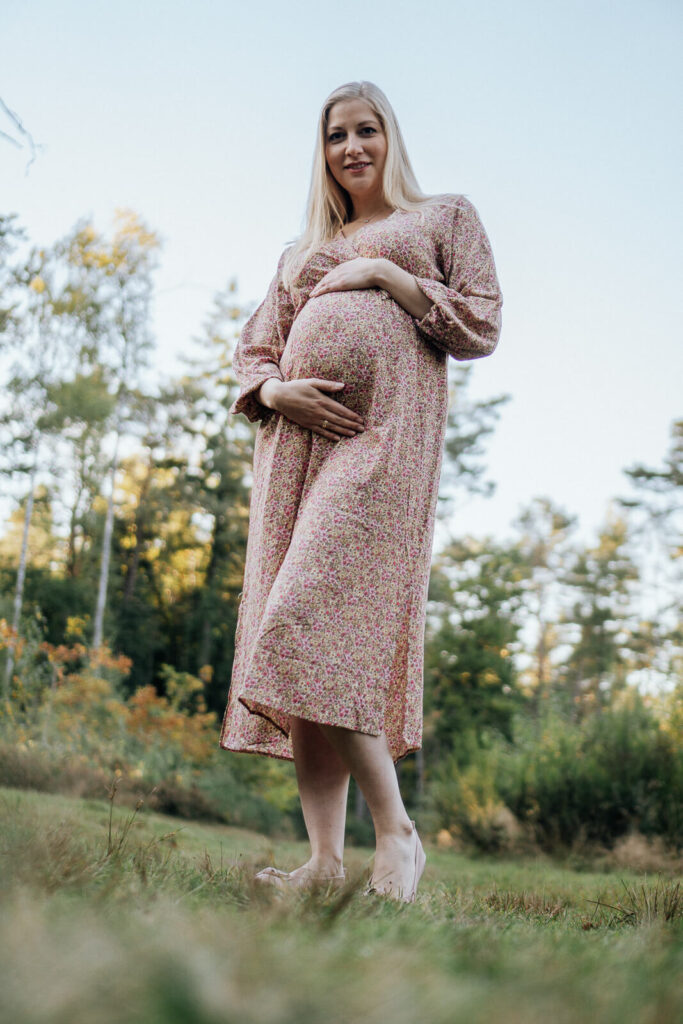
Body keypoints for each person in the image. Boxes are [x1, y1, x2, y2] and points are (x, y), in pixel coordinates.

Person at [219, 80, 503, 902]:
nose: (352, 148)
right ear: (324, 151)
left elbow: (481, 323)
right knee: (294, 644)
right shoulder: (298, 254)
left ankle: (398, 834)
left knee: (309, 620)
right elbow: (253, 354)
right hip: (293, 452)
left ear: (390, 136)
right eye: (336, 135)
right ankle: (325, 864)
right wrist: (276, 394)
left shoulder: (442, 218)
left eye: (366, 130)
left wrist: (385, 272)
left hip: (379, 445)